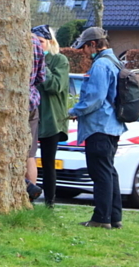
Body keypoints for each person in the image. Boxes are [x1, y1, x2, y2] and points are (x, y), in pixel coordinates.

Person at [69, 26, 126, 229]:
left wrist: (75, 110)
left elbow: (95, 98)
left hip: (99, 127)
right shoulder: (115, 62)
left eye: (84, 47)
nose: (83, 51)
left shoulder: (101, 65)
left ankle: (101, 219)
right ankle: (115, 217)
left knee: (100, 174)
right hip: (112, 126)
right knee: (109, 172)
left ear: (93, 44)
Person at [32, 25, 69, 207]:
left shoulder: (59, 60)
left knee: (48, 162)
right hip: (32, 116)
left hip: (51, 119)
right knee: (28, 158)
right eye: (34, 43)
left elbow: (56, 85)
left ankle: (49, 203)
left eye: (40, 42)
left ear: (50, 43)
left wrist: (41, 65)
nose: (37, 46)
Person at [26, 31, 47, 200]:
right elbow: (41, 76)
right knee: (30, 154)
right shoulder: (35, 41)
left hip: (7, 102)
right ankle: (29, 199)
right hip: (31, 102)